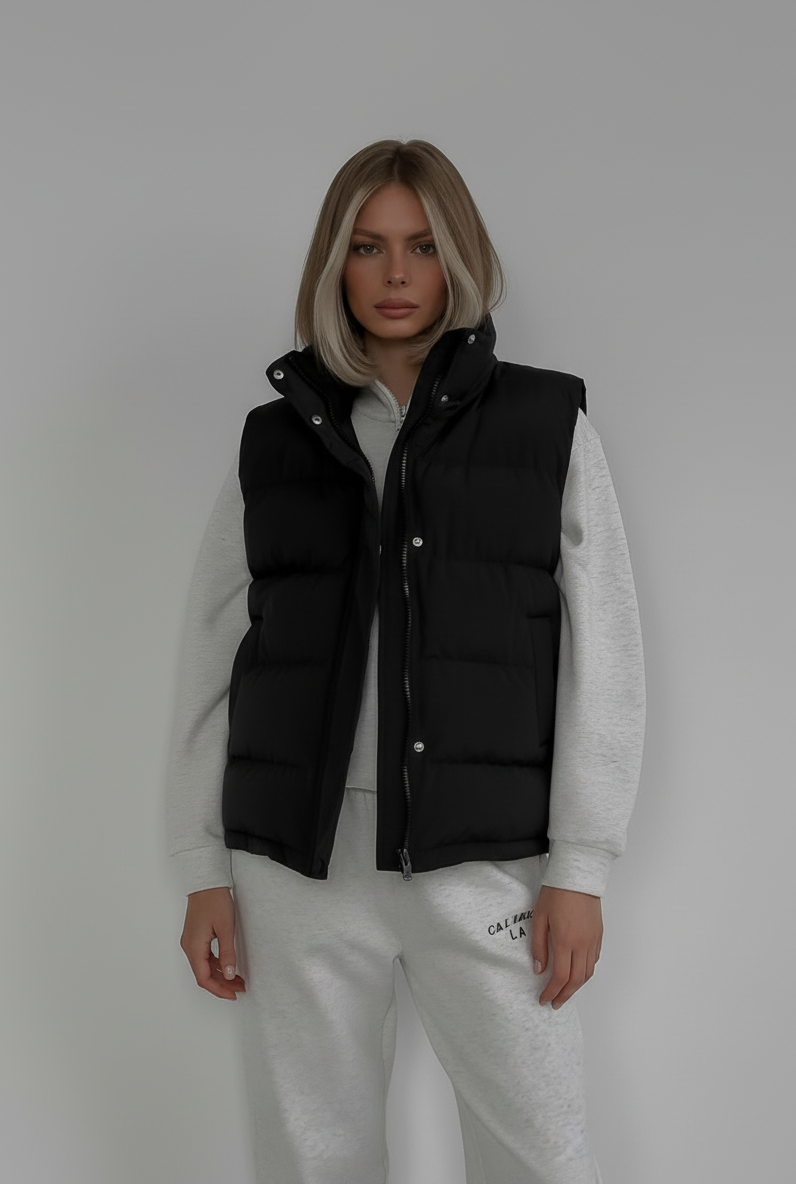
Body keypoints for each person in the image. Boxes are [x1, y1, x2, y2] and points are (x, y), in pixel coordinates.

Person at [165, 137, 646, 1184]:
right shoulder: (274, 442)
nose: (395, 273)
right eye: (368, 246)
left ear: (459, 257)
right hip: (299, 867)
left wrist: (580, 866)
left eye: (422, 246)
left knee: (540, 1153)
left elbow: (605, 653)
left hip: (483, 861)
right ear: (333, 263)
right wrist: (204, 868)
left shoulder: (545, 424)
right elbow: (211, 655)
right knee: (314, 1156)